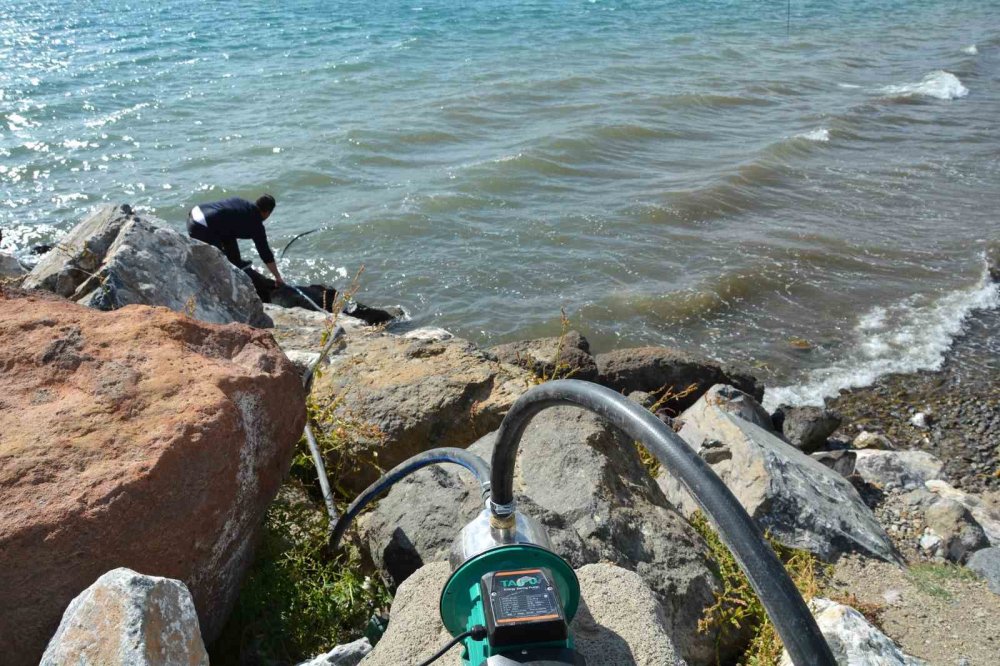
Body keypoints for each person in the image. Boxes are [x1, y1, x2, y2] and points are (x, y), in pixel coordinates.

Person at [187, 194, 284, 285]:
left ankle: (236, 262)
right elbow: (265, 253)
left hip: (195, 212)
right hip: (201, 226)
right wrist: (277, 277)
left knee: (228, 232)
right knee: (219, 263)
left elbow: (228, 229)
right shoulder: (256, 225)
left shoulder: (241, 203)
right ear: (267, 212)